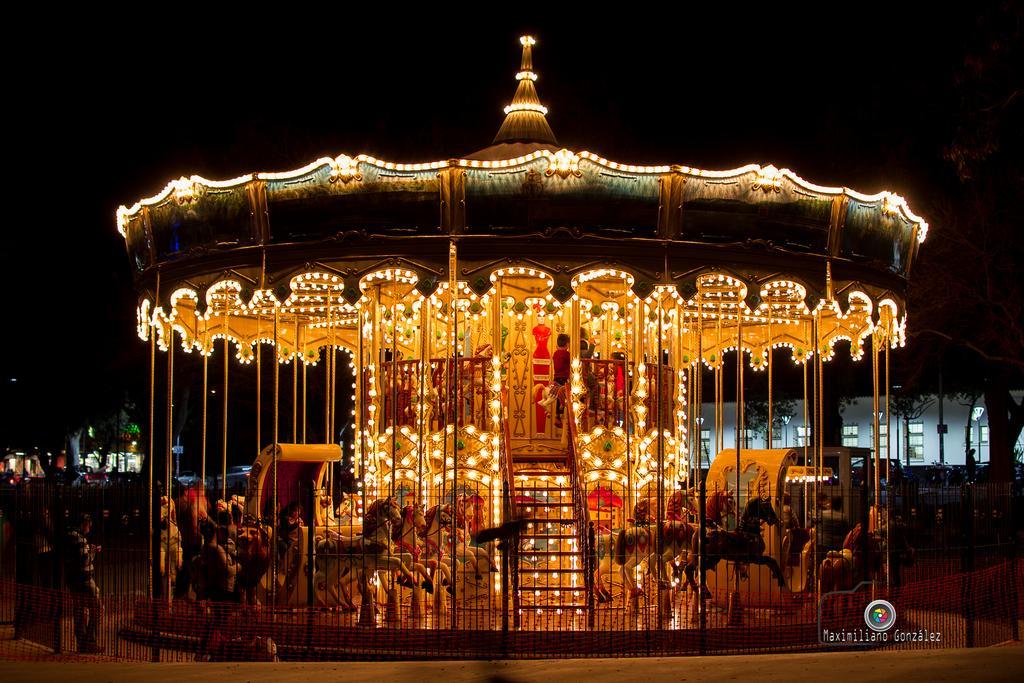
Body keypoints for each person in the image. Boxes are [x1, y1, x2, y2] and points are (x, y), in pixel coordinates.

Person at [64, 513, 102, 653]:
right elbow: (84, 560)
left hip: (72, 579)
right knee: (96, 608)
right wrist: (92, 552)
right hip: (84, 579)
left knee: (79, 610)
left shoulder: (69, 536)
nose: (90, 526)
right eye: (88, 523)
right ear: (82, 524)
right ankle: (90, 641)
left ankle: (82, 643)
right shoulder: (79, 539)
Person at [552, 333, 571, 428]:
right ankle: (563, 415)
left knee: (558, 398)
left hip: (556, 377)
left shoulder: (555, 353)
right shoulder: (566, 354)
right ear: (567, 344)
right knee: (563, 396)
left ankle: (557, 416)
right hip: (564, 377)